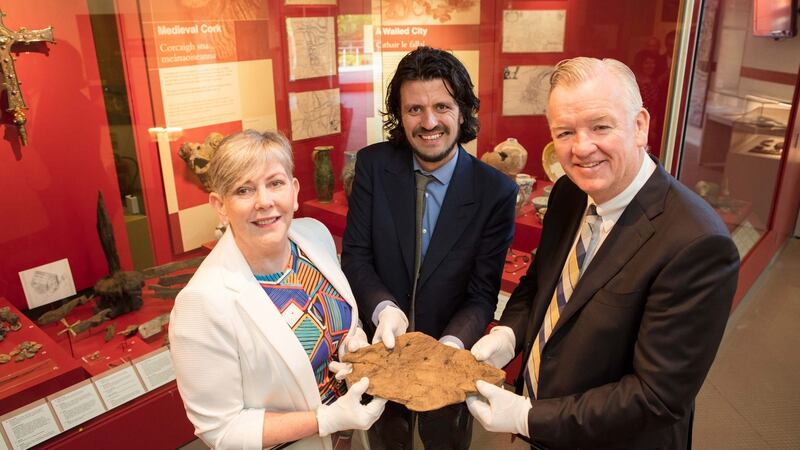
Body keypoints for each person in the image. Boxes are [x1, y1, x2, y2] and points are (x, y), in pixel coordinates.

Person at [467, 57, 739, 449]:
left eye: (600, 127)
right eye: (565, 132)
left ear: (640, 125)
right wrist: (509, 334)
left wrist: (528, 417)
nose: (581, 148)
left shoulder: (697, 243)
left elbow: (656, 397)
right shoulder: (568, 194)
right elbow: (540, 283)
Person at [341, 46, 517, 449]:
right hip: (382, 358)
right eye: (414, 109)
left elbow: (481, 293)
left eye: (442, 106)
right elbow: (356, 257)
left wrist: (450, 350)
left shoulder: (495, 192)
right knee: (386, 441)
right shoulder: (372, 166)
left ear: (463, 110)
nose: (429, 122)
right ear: (399, 116)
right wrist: (383, 308)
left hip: (449, 360)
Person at [170, 130, 387, 450]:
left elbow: (338, 319)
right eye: (244, 189)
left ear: (294, 190)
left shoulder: (314, 236)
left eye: (275, 183)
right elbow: (222, 430)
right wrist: (324, 419)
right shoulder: (201, 303)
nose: (264, 201)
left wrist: (353, 341)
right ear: (220, 205)